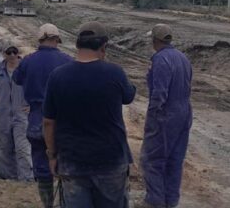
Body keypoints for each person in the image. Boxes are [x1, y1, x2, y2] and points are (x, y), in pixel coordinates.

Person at [43, 21, 136, 208]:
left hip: (72, 163)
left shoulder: (57, 76)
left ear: (77, 45)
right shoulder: (115, 73)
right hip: (111, 162)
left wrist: (52, 156)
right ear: (103, 46)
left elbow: (48, 122)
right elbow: (129, 95)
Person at [13, 23, 72, 207]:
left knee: (41, 164)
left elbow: (17, 79)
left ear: (40, 39)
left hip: (37, 119)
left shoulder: (28, 61)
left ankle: (47, 203)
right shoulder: (67, 61)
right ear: (57, 40)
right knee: (66, 166)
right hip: (63, 121)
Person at [138, 24, 193, 208]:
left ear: (155, 40)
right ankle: (170, 201)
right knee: (174, 160)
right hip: (184, 113)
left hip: (166, 114)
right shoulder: (183, 58)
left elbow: (159, 93)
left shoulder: (160, 59)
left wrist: (152, 117)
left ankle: (154, 201)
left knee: (151, 159)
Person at [0, 41, 33, 181]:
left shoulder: (25, 68)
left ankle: (27, 180)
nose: (12, 55)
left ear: (18, 53)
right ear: (2, 54)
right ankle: (11, 178)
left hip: (22, 115)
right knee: (5, 148)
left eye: (14, 52)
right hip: (3, 115)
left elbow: (37, 87)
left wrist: (31, 105)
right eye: (8, 52)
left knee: (23, 148)